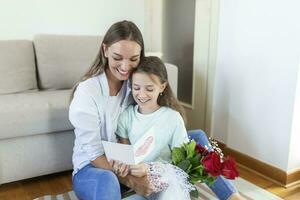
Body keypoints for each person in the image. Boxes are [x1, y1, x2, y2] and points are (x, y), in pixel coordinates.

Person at [69, 20, 243, 200]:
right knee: (108, 180)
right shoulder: (87, 92)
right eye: (118, 58)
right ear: (105, 50)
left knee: (197, 138)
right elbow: (94, 155)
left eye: (134, 59)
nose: (125, 67)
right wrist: (131, 180)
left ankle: (233, 197)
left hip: (134, 159)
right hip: (95, 168)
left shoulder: (135, 85)